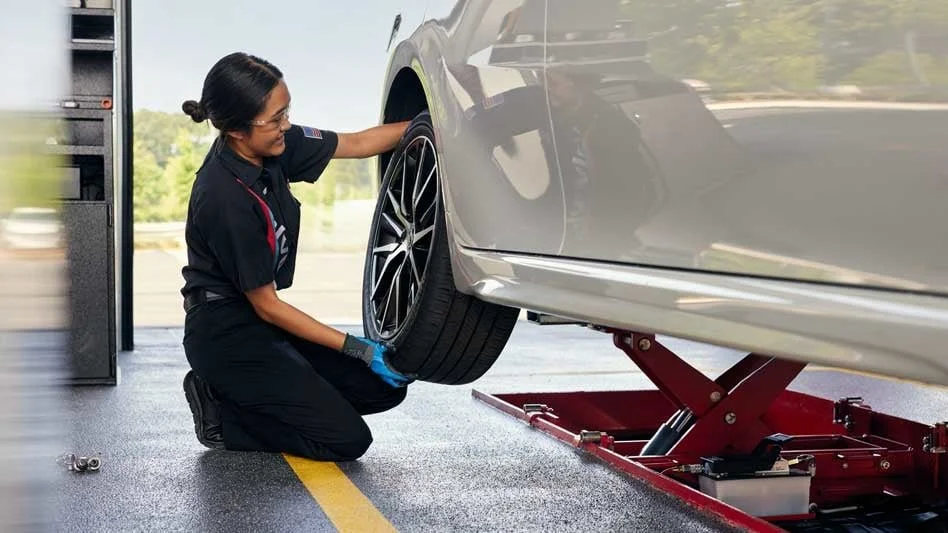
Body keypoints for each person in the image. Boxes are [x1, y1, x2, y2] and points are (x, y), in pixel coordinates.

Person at [178, 52, 413, 461]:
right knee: (347, 440)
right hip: (226, 336)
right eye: (276, 118)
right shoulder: (223, 197)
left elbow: (358, 143)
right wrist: (358, 349)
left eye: (287, 111)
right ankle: (222, 411)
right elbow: (267, 306)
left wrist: (437, 123)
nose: (286, 124)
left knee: (384, 389)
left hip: (261, 325)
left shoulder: (272, 143)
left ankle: (281, 396)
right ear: (235, 130)